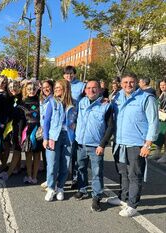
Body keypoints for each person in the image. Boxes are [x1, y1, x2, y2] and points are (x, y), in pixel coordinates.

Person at [108, 73, 159, 217]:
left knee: (134, 175)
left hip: (137, 143)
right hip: (119, 141)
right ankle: (123, 198)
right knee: (122, 173)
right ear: (121, 83)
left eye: (131, 82)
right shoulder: (117, 97)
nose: (128, 85)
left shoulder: (146, 98)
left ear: (137, 82)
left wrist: (148, 144)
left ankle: (132, 205)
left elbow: (153, 122)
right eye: (125, 82)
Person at [74, 80, 113, 212]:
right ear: (85, 90)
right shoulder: (82, 102)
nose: (91, 90)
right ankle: (82, 189)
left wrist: (102, 144)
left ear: (100, 90)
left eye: (94, 88)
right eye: (88, 88)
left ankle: (96, 197)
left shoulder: (106, 105)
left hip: (96, 145)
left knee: (97, 172)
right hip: (80, 143)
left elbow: (110, 127)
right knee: (80, 168)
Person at [43, 79, 76, 201]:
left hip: (68, 137)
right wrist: (45, 138)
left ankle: (60, 187)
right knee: (52, 164)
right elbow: (46, 121)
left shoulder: (74, 103)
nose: (56, 90)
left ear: (66, 89)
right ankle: (51, 188)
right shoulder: (52, 102)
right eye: (55, 88)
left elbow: (78, 119)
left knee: (65, 164)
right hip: (53, 136)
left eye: (59, 88)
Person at [62, 66, 85, 190]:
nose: (69, 76)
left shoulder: (81, 86)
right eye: (66, 74)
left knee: (75, 153)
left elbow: (89, 98)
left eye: (71, 74)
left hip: (74, 124)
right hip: (62, 124)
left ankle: (75, 179)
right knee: (64, 152)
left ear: (74, 74)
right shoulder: (61, 85)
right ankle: (62, 176)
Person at [17, 81, 42, 184]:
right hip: (27, 130)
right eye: (29, 89)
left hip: (39, 130)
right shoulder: (22, 103)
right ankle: (29, 175)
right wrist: (19, 134)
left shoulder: (41, 101)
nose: (31, 91)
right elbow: (21, 121)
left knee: (37, 154)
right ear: (25, 90)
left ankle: (35, 176)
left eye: (33, 88)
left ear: (37, 89)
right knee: (28, 153)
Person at [0, 80, 23, 180]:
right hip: (11, 126)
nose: (13, 88)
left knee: (17, 147)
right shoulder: (9, 98)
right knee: (12, 145)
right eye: (11, 87)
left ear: (20, 87)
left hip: (20, 125)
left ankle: (9, 172)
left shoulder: (22, 98)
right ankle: (16, 167)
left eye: (15, 86)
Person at [151, 78, 166, 163]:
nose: (162, 87)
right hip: (160, 119)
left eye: (164, 85)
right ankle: (157, 153)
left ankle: (165, 156)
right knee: (159, 137)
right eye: (160, 85)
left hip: (165, 120)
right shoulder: (161, 95)